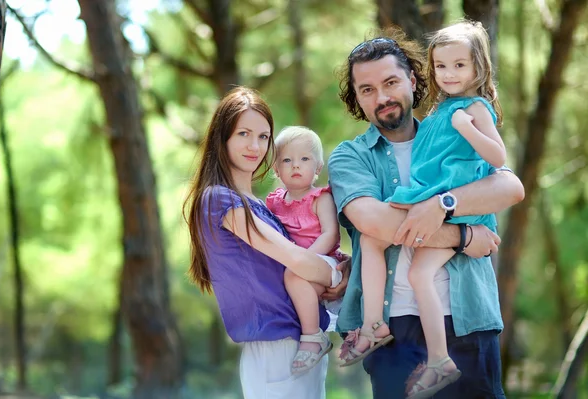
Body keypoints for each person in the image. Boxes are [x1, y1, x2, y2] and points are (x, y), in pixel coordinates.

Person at [328, 27, 525, 398]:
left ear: (414, 79)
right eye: (367, 90)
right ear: (356, 98)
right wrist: (465, 236)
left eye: (390, 82)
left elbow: (510, 187)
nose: (382, 97)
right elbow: (374, 223)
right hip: (395, 330)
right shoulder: (350, 157)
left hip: (468, 318)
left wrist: (444, 204)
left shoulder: (449, 131)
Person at [184, 87, 343, 399]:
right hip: (275, 351)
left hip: (301, 343)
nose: (254, 146)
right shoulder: (219, 200)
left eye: (264, 136)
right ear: (223, 137)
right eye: (243, 133)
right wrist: (341, 276)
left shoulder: (260, 205)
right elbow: (295, 260)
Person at [265, 126, 343, 374]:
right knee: (293, 278)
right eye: (287, 160)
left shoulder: (321, 197)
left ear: (318, 168)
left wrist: (303, 260)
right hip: (297, 268)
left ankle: (313, 338)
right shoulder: (275, 202)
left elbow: (330, 234)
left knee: (294, 274)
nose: (295, 165)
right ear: (276, 169)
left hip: (325, 263)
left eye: (304, 159)